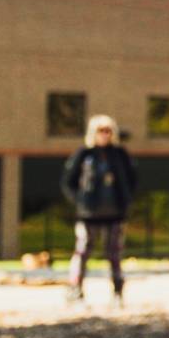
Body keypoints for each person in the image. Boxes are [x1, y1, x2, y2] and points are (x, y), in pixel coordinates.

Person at [59, 114, 138, 305]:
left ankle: (118, 292)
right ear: (93, 133)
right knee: (83, 251)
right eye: (101, 130)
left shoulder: (120, 154)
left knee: (114, 253)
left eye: (108, 130)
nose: (105, 134)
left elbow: (132, 179)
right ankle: (75, 290)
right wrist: (80, 202)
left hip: (115, 213)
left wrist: (126, 201)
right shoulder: (84, 154)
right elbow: (68, 181)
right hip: (89, 214)